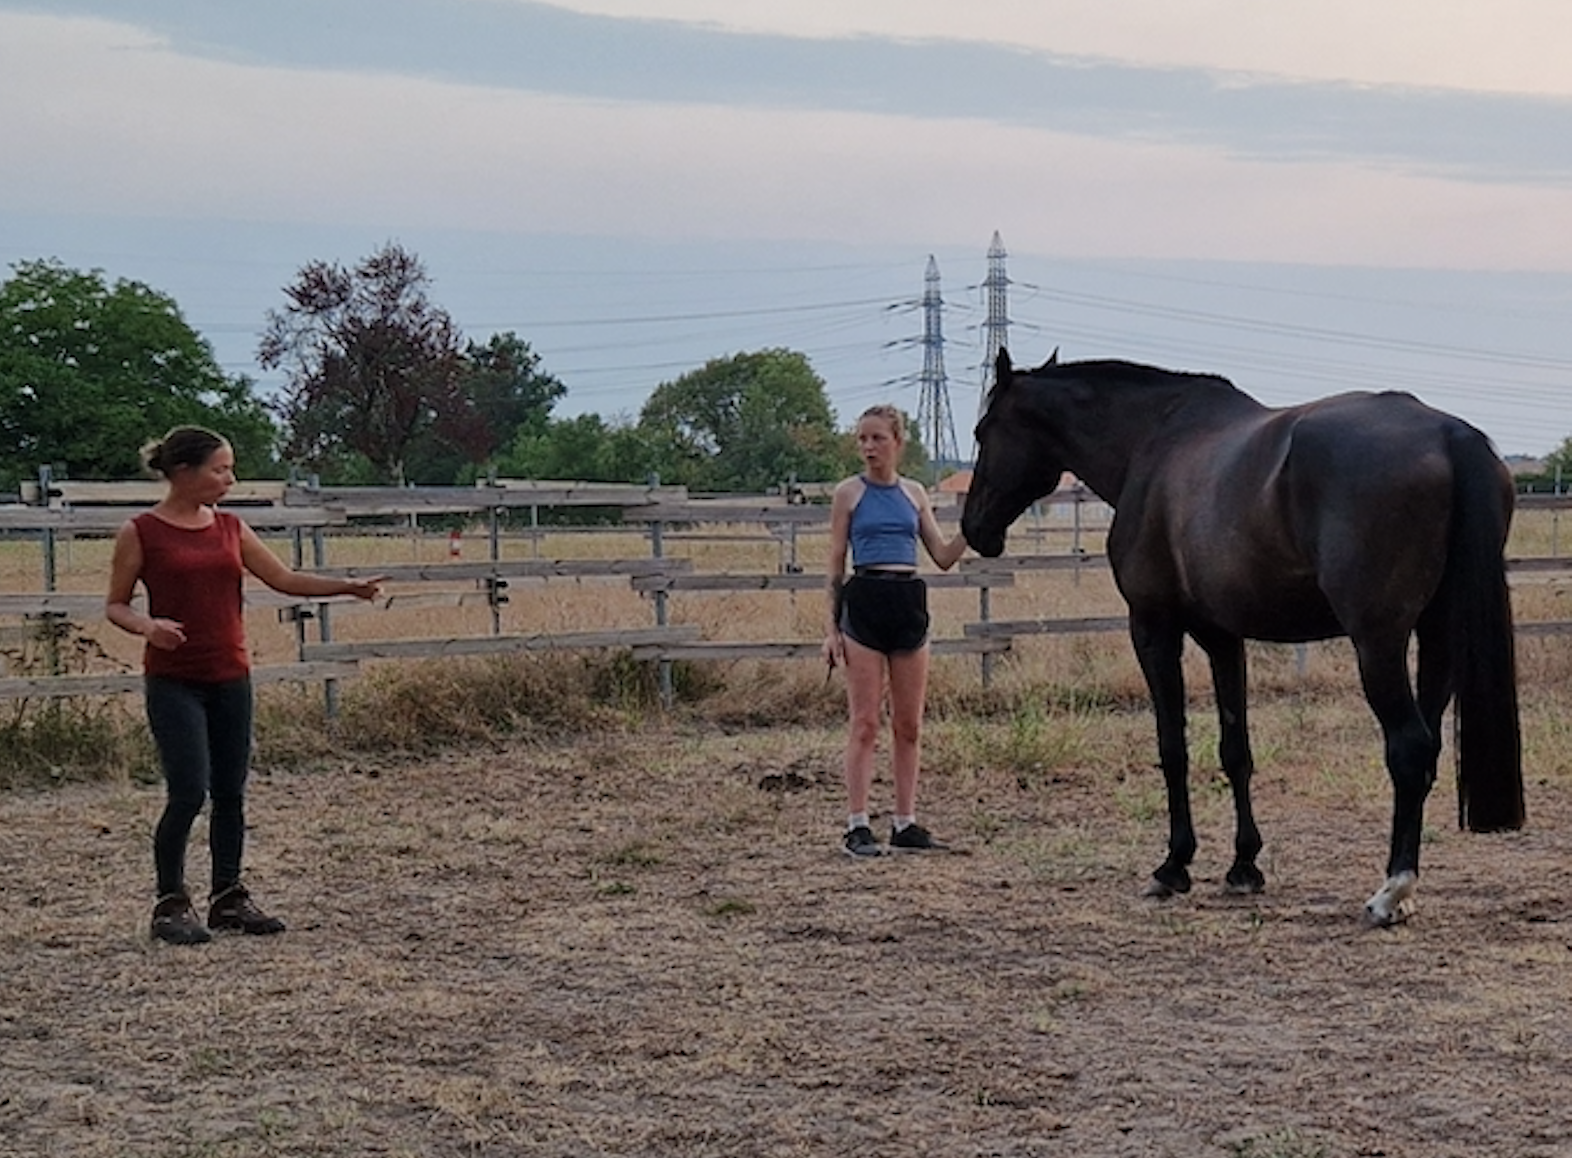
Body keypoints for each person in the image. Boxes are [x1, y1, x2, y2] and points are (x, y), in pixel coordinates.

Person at [106, 426, 383, 945]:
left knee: (231, 792)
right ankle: (170, 904)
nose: (230, 480)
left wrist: (347, 587)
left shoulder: (231, 528)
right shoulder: (141, 531)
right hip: (174, 682)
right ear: (183, 472)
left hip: (231, 675)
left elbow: (285, 579)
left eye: (230, 469)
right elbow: (115, 604)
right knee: (189, 791)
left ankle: (228, 897)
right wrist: (149, 627)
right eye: (220, 469)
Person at [823, 405, 968, 857]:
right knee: (865, 722)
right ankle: (858, 825)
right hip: (864, 603)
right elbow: (834, 564)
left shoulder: (914, 493)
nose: (868, 447)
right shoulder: (848, 494)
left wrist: (975, 524)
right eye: (862, 439)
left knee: (909, 724)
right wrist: (831, 627)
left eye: (877, 439)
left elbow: (943, 555)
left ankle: (905, 823)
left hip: (907, 603)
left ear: (897, 442)